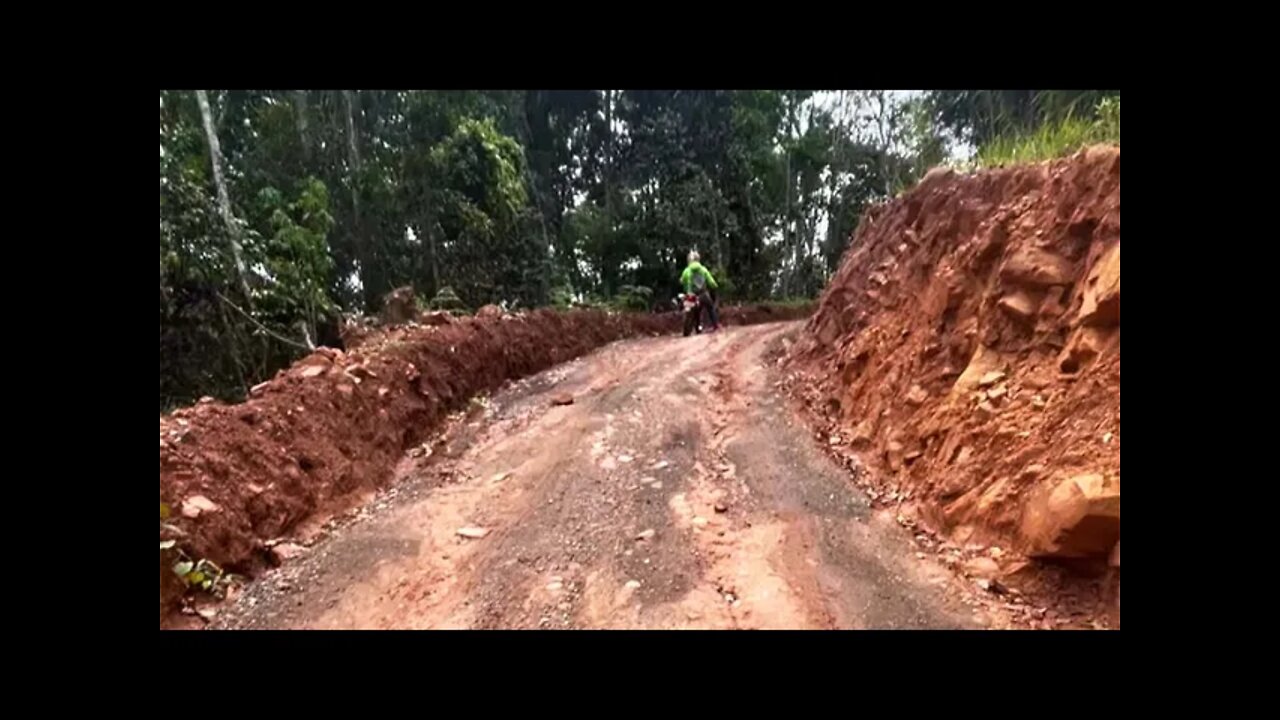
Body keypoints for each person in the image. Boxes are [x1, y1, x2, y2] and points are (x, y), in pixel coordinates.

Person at [680, 251, 719, 332]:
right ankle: (715, 325)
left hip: (690, 294)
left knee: (695, 311)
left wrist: (686, 288)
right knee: (710, 308)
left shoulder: (686, 270)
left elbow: (682, 281)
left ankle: (697, 328)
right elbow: (711, 282)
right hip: (702, 294)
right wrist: (714, 286)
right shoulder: (703, 270)